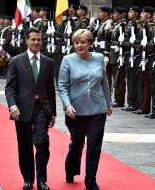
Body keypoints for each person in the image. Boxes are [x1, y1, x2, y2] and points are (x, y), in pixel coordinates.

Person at [58, 29, 112, 190]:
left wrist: (108, 104)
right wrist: (67, 105)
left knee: (94, 146)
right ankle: (71, 170)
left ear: (89, 43)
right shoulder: (67, 60)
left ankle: (91, 181)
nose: (79, 45)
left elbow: (104, 82)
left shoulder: (99, 58)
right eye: (76, 42)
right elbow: (62, 85)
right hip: (75, 111)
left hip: (97, 110)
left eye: (83, 42)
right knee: (77, 144)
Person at [5, 27, 56, 190]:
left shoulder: (49, 62)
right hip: (21, 109)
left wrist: (52, 113)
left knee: (41, 142)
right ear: (26, 40)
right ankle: (28, 178)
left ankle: (42, 180)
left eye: (39, 40)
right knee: (25, 145)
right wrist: (12, 105)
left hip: (41, 108)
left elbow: (50, 89)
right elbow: (10, 88)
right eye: (33, 39)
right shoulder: (16, 61)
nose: (36, 43)